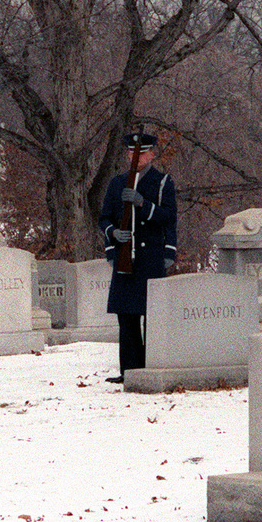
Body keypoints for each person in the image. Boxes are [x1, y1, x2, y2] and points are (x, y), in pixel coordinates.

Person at [98, 132, 178, 382]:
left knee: (151, 315)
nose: (136, 157)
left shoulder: (162, 182)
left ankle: (151, 367)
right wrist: (113, 236)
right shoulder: (117, 183)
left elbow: (168, 218)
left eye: (142, 153)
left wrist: (144, 204)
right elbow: (104, 218)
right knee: (127, 317)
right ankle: (130, 370)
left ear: (152, 154)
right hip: (126, 255)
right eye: (132, 153)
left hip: (150, 255)